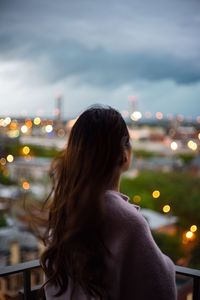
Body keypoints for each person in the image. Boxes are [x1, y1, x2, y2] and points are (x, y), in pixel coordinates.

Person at [41, 105, 177, 300]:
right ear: (124, 154)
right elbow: (161, 290)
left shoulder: (65, 208)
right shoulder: (128, 222)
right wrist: (168, 265)